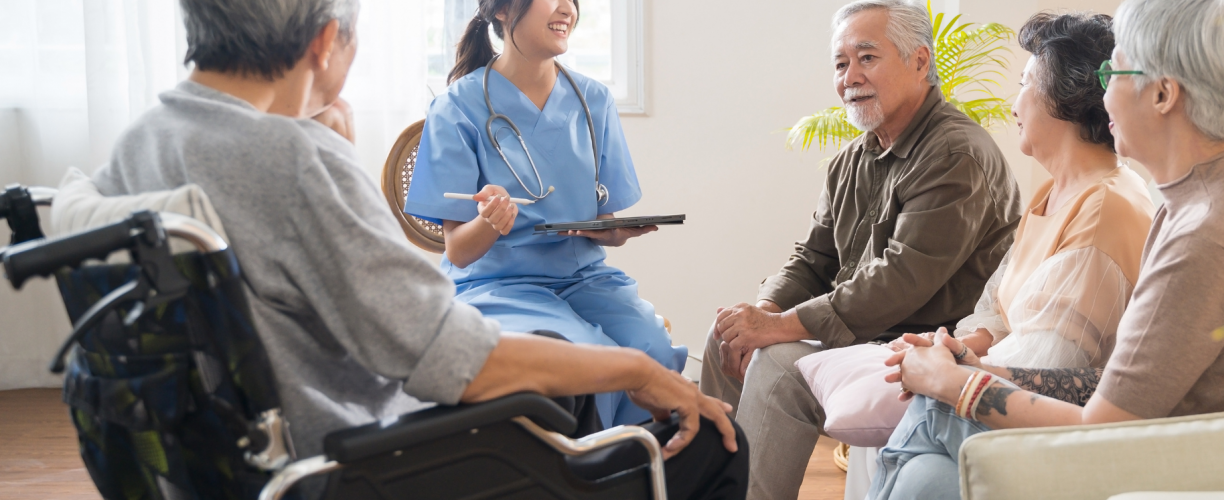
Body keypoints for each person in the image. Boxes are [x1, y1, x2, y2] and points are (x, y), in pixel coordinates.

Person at [88, 0, 746, 498]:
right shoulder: (292, 159)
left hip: (235, 453)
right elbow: (457, 359)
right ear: (324, 42)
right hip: (372, 455)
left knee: (579, 390)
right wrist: (640, 372)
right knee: (725, 439)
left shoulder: (135, 147)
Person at [880, 0, 1224, 497]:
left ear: (1162, 94)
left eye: (1114, 71)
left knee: (934, 408)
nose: (1102, 93)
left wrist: (952, 384)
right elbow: (1119, 386)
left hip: (1184, 471)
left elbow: (1102, 433)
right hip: (1169, 446)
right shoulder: (1197, 203)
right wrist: (976, 366)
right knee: (928, 478)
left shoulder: (1205, 239)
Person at [700, 1, 1022, 498]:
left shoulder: (956, 154)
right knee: (725, 335)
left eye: (866, 57)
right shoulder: (853, 157)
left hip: (917, 347)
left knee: (777, 363)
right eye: (840, 62)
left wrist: (779, 328)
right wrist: (762, 312)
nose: (850, 75)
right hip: (861, 334)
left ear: (919, 61)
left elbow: (898, 281)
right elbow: (813, 258)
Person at [863, 12, 1153, 499]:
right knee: (923, 480)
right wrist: (963, 345)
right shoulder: (1054, 193)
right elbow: (998, 304)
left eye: (1024, 84)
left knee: (928, 409)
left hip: (1055, 427)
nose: (1014, 102)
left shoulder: (1106, 208)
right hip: (1014, 389)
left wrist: (951, 373)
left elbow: (1051, 361)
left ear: (1062, 100)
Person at [402, 0, 676, 428]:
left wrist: (615, 232)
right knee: (585, 360)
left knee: (652, 349)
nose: (567, 7)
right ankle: (584, 476)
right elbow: (457, 251)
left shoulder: (594, 100)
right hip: (499, 285)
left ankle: (642, 472)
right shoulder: (457, 107)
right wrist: (491, 223)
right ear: (503, 11)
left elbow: (607, 218)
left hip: (586, 278)